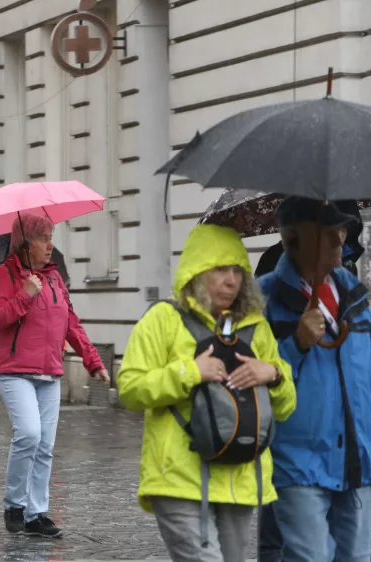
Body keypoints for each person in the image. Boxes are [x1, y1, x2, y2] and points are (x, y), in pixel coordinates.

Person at [118, 224, 296, 561]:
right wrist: (189, 372)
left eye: (237, 271)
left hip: (239, 478)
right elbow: (130, 388)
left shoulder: (255, 328)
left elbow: (286, 407)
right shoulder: (163, 319)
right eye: (219, 270)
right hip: (179, 479)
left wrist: (272, 374)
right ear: (197, 271)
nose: (231, 280)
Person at [257, 196, 371, 562]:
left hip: (357, 460)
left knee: (356, 558)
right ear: (294, 239)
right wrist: (296, 344)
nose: (341, 238)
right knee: (310, 556)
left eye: (342, 229)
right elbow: (251, 384)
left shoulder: (354, 295)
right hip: (299, 464)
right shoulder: (264, 299)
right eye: (331, 230)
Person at [0, 213, 109, 538]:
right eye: (43, 238)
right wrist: (24, 293)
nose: (50, 245)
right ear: (24, 244)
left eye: (51, 237)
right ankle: (14, 504)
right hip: (13, 370)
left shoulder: (55, 279)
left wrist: (93, 362)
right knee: (29, 433)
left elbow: (71, 323)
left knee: (45, 446)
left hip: (49, 370)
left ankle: (36, 513)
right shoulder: (2, 276)